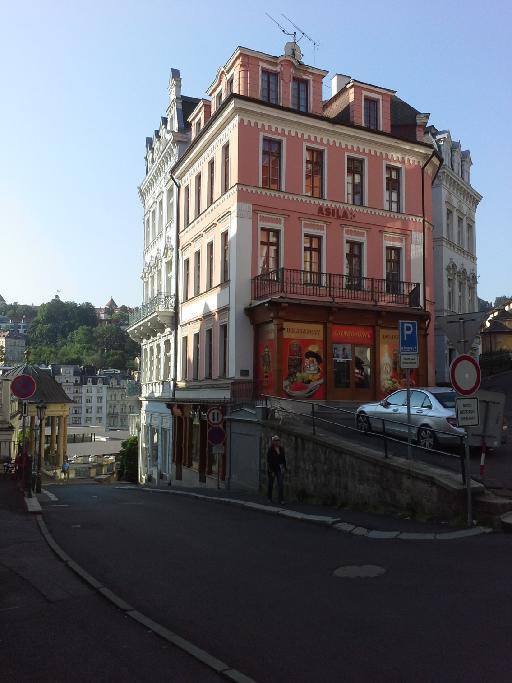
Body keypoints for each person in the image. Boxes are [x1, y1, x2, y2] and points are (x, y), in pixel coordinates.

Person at [267, 435, 287, 504]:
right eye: (275, 441)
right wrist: (271, 470)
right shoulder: (270, 449)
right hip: (272, 469)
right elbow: (269, 460)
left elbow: (283, 459)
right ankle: (269, 498)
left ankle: (281, 500)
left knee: (280, 484)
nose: (277, 442)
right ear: (273, 442)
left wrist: (284, 468)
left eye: (278, 440)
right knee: (271, 484)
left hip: (279, 468)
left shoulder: (281, 449)